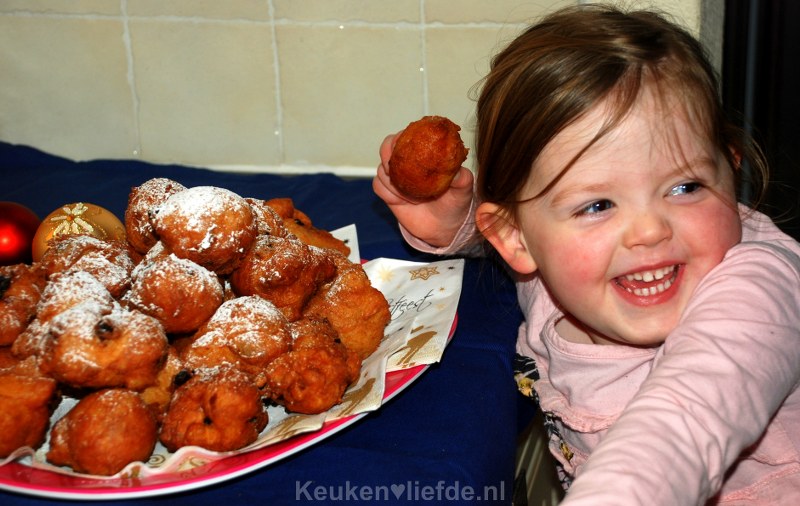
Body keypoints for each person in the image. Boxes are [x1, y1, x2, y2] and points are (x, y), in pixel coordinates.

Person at [373, 4, 800, 505]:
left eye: (685, 187)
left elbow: (685, 424)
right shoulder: (554, 259)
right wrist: (457, 225)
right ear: (516, 237)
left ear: (731, 172)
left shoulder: (761, 293)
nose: (648, 230)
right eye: (598, 204)